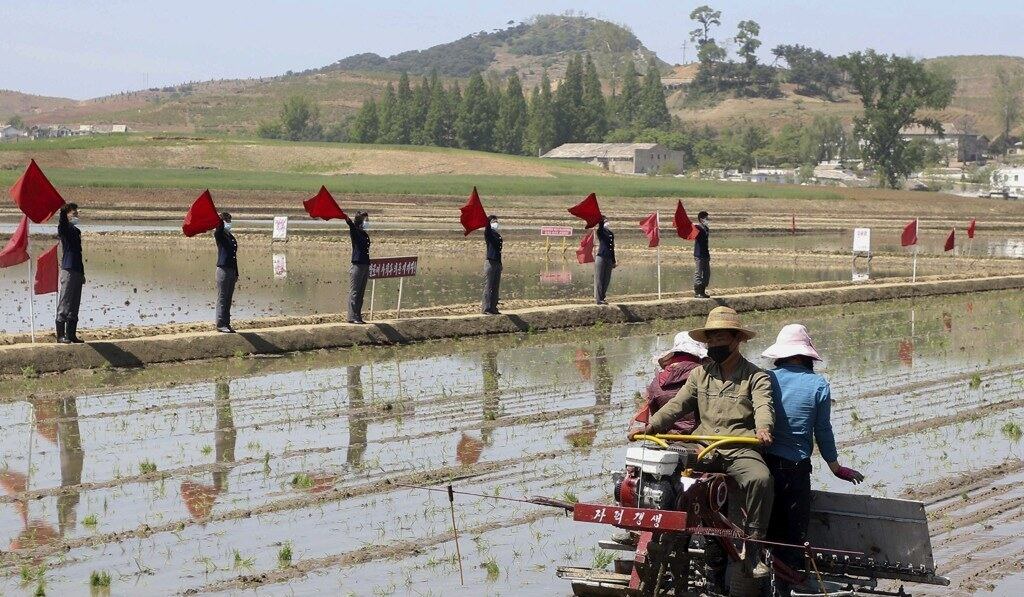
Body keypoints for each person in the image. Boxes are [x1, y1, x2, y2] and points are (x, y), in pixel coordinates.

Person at [629, 306, 774, 578]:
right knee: (660, 461)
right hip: (702, 446)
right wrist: (649, 427)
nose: (715, 345)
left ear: (736, 340)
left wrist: (763, 427)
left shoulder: (756, 376)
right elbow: (677, 405)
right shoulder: (700, 375)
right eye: (711, 340)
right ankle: (648, 527)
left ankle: (753, 549)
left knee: (761, 479)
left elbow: (764, 405)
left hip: (738, 447)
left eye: (721, 339)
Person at [761, 324, 864, 590]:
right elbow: (823, 431)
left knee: (766, 532)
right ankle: (789, 585)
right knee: (792, 535)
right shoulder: (818, 384)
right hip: (795, 471)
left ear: (780, 354)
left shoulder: (765, 379)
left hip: (763, 466)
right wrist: (836, 467)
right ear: (807, 355)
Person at [642, 332, 708, 434]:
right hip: (699, 440)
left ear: (673, 355)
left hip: (666, 440)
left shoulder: (655, 382)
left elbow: (655, 414)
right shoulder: (704, 376)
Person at [56, 203, 85, 343]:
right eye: (73, 214)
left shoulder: (76, 231)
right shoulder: (65, 229)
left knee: (74, 303)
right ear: (67, 216)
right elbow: (61, 222)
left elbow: (78, 254)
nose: (76, 216)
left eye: (76, 214)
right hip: (68, 269)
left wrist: (82, 273)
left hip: (77, 270)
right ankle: (60, 335)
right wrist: (62, 210)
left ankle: (71, 335)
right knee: (65, 301)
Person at [214, 212, 238, 333]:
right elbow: (219, 229)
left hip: (231, 270)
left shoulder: (230, 236)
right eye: (226, 220)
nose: (229, 223)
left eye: (230, 220)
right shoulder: (220, 234)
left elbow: (234, 256)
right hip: (222, 269)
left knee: (229, 298)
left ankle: (227, 323)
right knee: (222, 297)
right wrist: (219, 221)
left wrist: (236, 273)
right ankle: (220, 324)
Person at [345, 211, 371, 324]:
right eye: (366, 220)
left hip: (365, 264)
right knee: (354, 292)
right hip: (357, 264)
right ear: (360, 221)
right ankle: (352, 317)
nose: (367, 222)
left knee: (361, 292)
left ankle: (358, 315)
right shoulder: (355, 231)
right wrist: (348, 220)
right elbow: (351, 225)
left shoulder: (364, 234)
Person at [482, 215, 502, 315]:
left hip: (497, 262)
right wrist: (487, 221)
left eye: (497, 221)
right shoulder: (489, 233)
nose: (496, 223)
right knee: (488, 286)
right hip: (490, 262)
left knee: (495, 286)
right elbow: (487, 230)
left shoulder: (497, 235)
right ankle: (486, 309)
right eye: (494, 221)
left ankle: (493, 308)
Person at [594, 216, 615, 304]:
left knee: (606, 279)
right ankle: (599, 300)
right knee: (599, 279)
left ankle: (603, 297)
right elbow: (600, 227)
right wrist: (600, 220)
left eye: (607, 221)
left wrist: (613, 260)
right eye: (605, 221)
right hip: (601, 257)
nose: (607, 222)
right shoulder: (600, 232)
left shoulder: (611, 233)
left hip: (609, 258)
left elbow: (612, 248)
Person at [694, 210, 711, 298]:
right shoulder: (697, 228)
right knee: (698, 273)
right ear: (701, 219)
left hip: (705, 254)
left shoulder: (706, 228)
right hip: (699, 254)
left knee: (707, 273)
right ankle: (698, 292)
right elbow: (693, 229)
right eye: (706, 218)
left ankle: (703, 290)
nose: (708, 220)